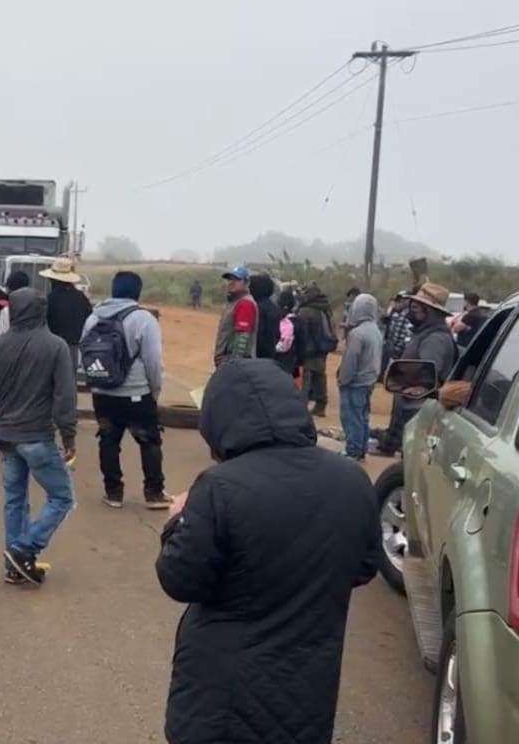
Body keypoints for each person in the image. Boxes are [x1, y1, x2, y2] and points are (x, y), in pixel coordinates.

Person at [156, 359, 378, 744]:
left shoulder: (219, 487)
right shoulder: (352, 479)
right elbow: (363, 567)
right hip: (308, 684)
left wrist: (178, 518)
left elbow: (180, 578)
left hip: (221, 697)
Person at [0, 287, 77, 585]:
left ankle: (14, 564)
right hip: (37, 435)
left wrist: (2, 414)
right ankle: (25, 549)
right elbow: (64, 396)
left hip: (7, 435)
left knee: (14, 499)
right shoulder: (55, 346)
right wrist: (69, 435)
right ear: (41, 311)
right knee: (62, 497)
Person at [82, 271, 170, 510]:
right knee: (149, 441)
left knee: (108, 441)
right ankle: (154, 493)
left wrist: (97, 383)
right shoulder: (144, 319)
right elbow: (152, 361)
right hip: (136, 393)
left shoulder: (93, 318)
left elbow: (84, 356)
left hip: (102, 392)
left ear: (113, 289)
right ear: (137, 292)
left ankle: (113, 493)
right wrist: (154, 391)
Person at [373, 283, 458, 457]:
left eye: (418, 307)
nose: (412, 310)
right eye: (413, 305)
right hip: (411, 406)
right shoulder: (424, 333)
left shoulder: (435, 339)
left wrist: (416, 388)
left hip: (419, 408)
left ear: (432, 312)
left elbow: (429, 373)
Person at [337, 293, 383, 462]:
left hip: (355, 382)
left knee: (351, 417)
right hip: (369, 380)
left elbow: (350, 361)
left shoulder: (357, 334)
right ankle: (361, 449)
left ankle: (353, 451)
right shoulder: (376, 330)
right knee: (362, 417)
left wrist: (343, 380)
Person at [42, 257, 94, 368]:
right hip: (74, 348)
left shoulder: (49, 299)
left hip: (51, 348)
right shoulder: (81, 298)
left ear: (53, 279)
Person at [295, 282, 337, 417]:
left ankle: (301, 407)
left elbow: (301, 332)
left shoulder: (304, 311)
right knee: (320, 376)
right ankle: (321, 405)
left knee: (305, 379)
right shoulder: (325, 309)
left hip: (308, 350)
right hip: (322, 348)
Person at [212, 266, 258, 365]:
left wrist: (235, 364)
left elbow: (242, 338)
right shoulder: (234, 302)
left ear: (246, 283)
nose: (231, 282)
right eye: (229, 279)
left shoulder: (245, 304)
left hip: (235, 363)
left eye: (237, 279)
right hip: (227, 361)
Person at [248, 273, 281, 360]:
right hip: (271, 355)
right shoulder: (274, 307)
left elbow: (258, 336)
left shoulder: (257, 307)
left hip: (258, 356)